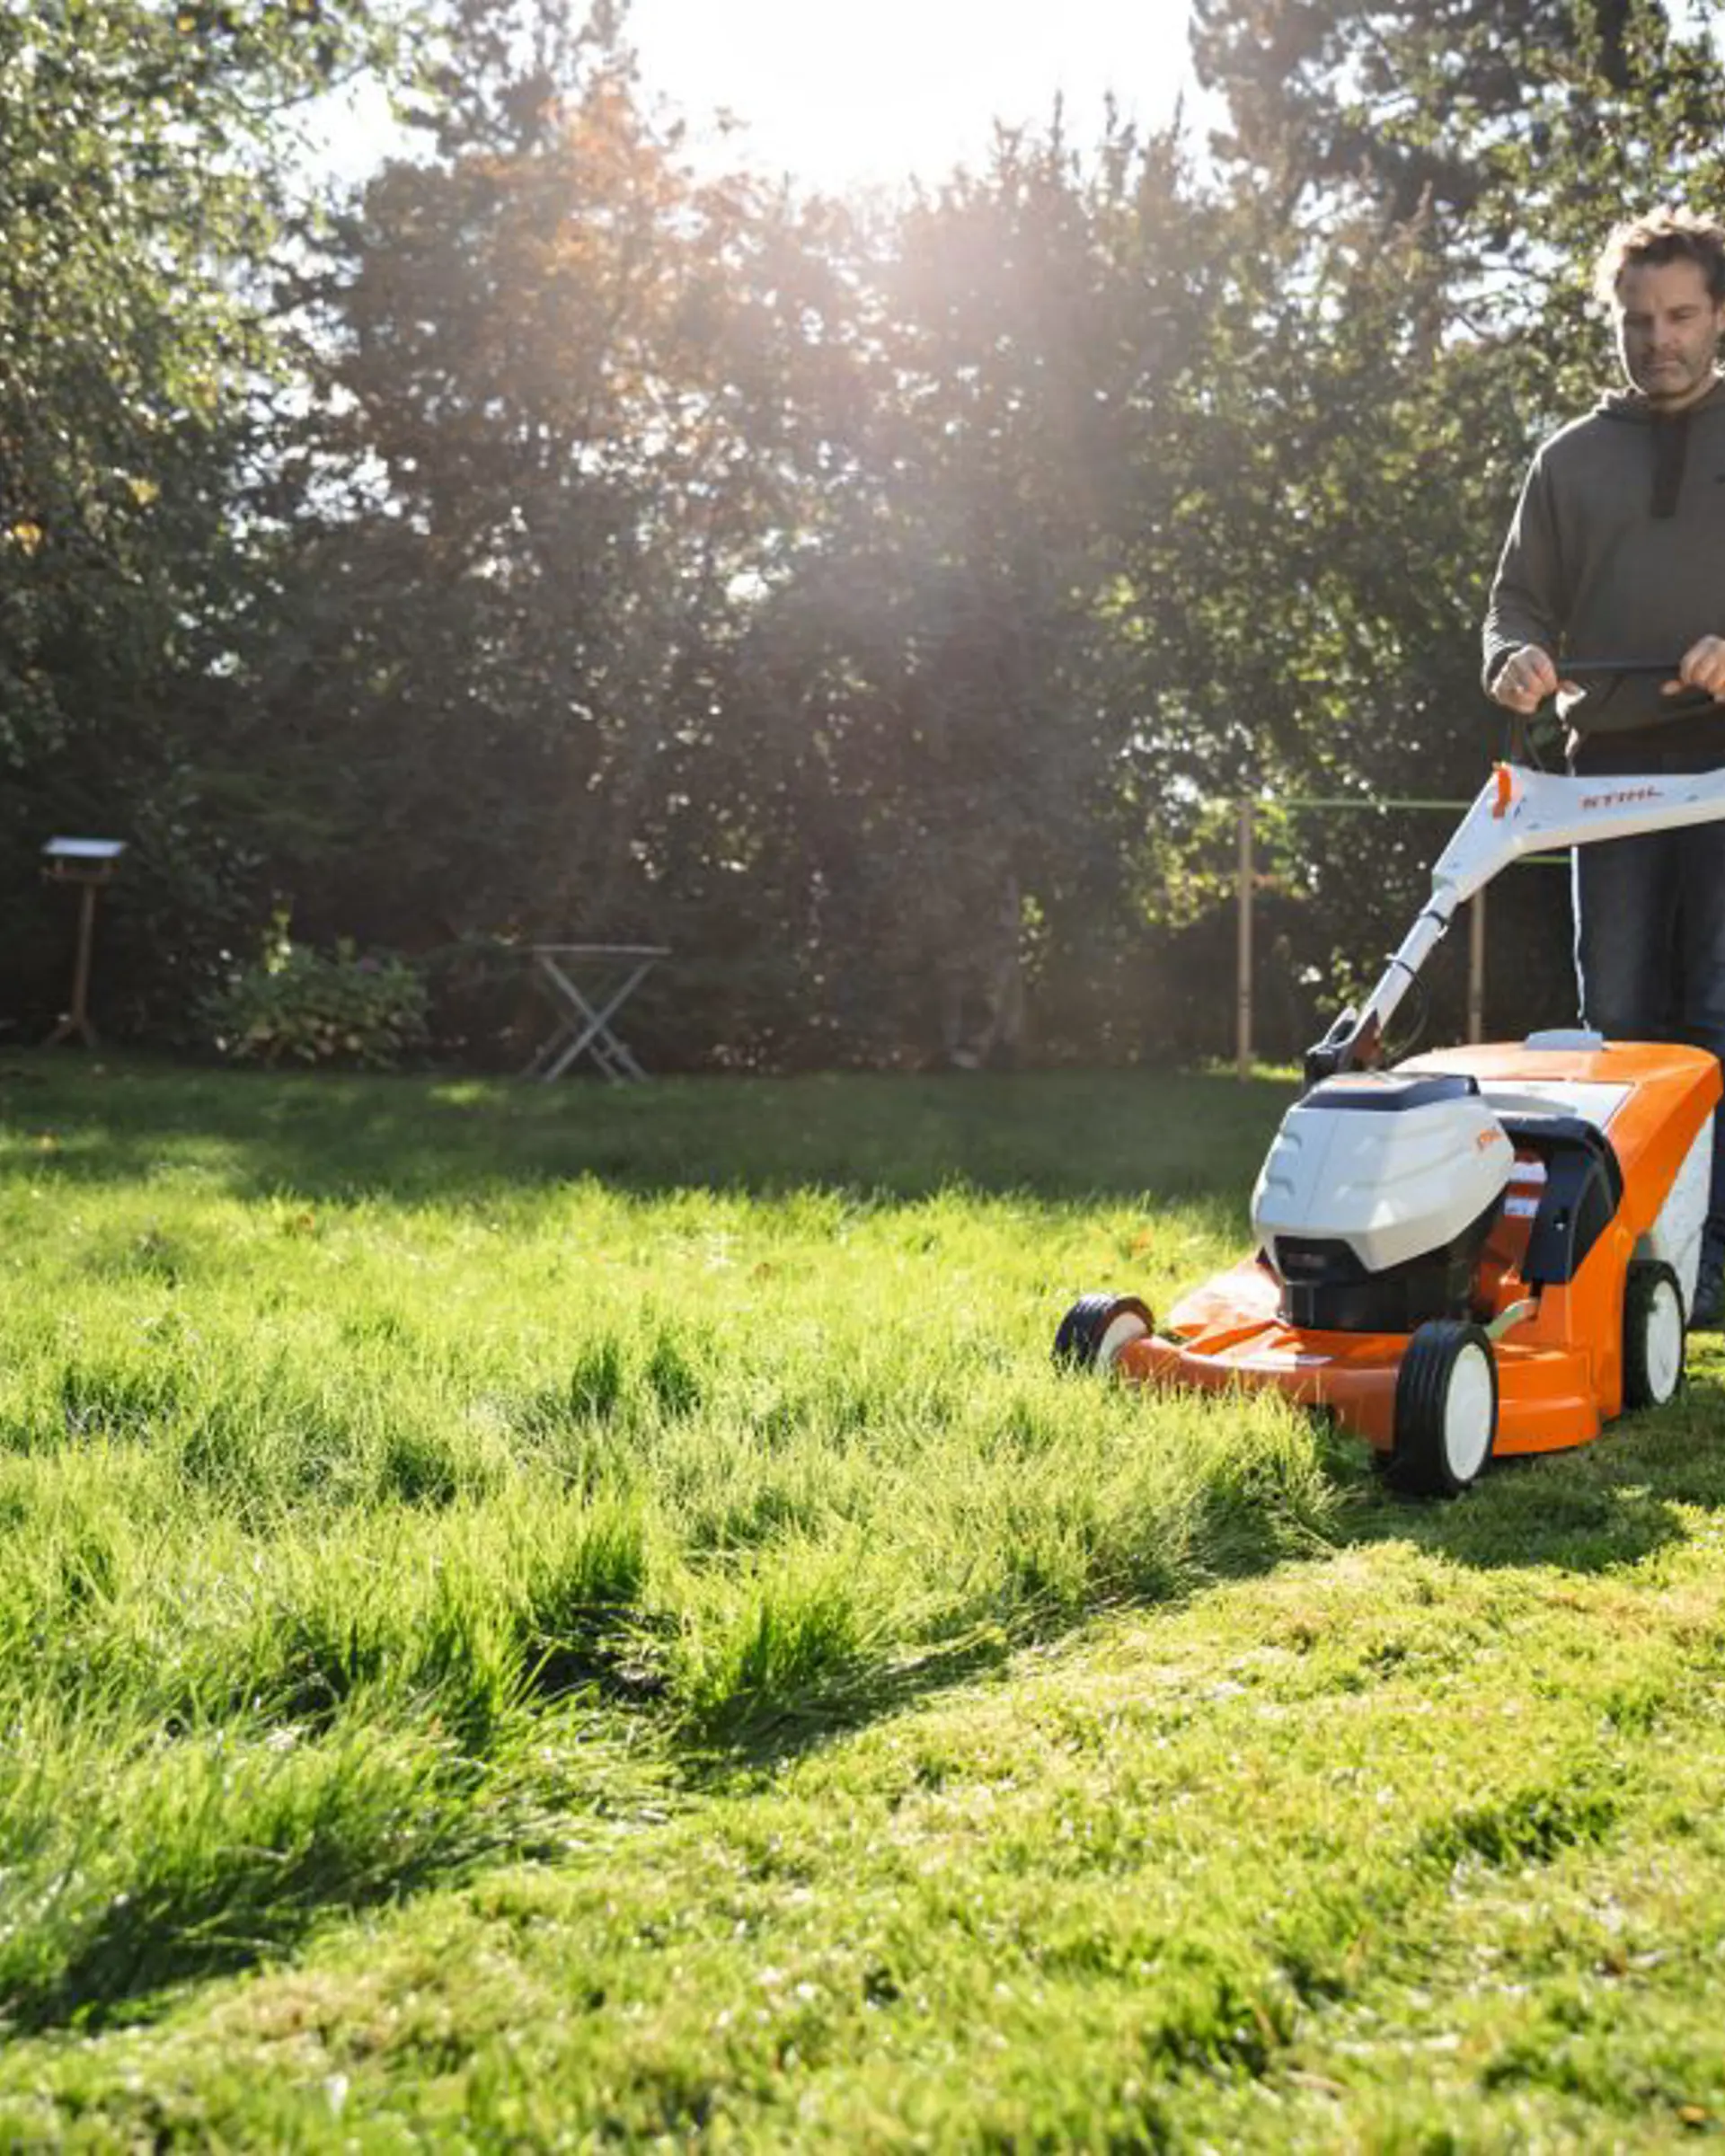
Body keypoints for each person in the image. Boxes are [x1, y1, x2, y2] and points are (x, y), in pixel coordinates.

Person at [1484, 206, 1725, 1328]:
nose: (1659, 338)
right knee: (1621, 1016)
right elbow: (1515, 605)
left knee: (1719, 1013)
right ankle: (1628, 1266)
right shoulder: (1568, 459)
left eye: (1680, 315)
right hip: (1610, 770)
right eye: (1639, 319)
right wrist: (1518, 658)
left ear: (1717, 315)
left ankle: (1711, 1264)